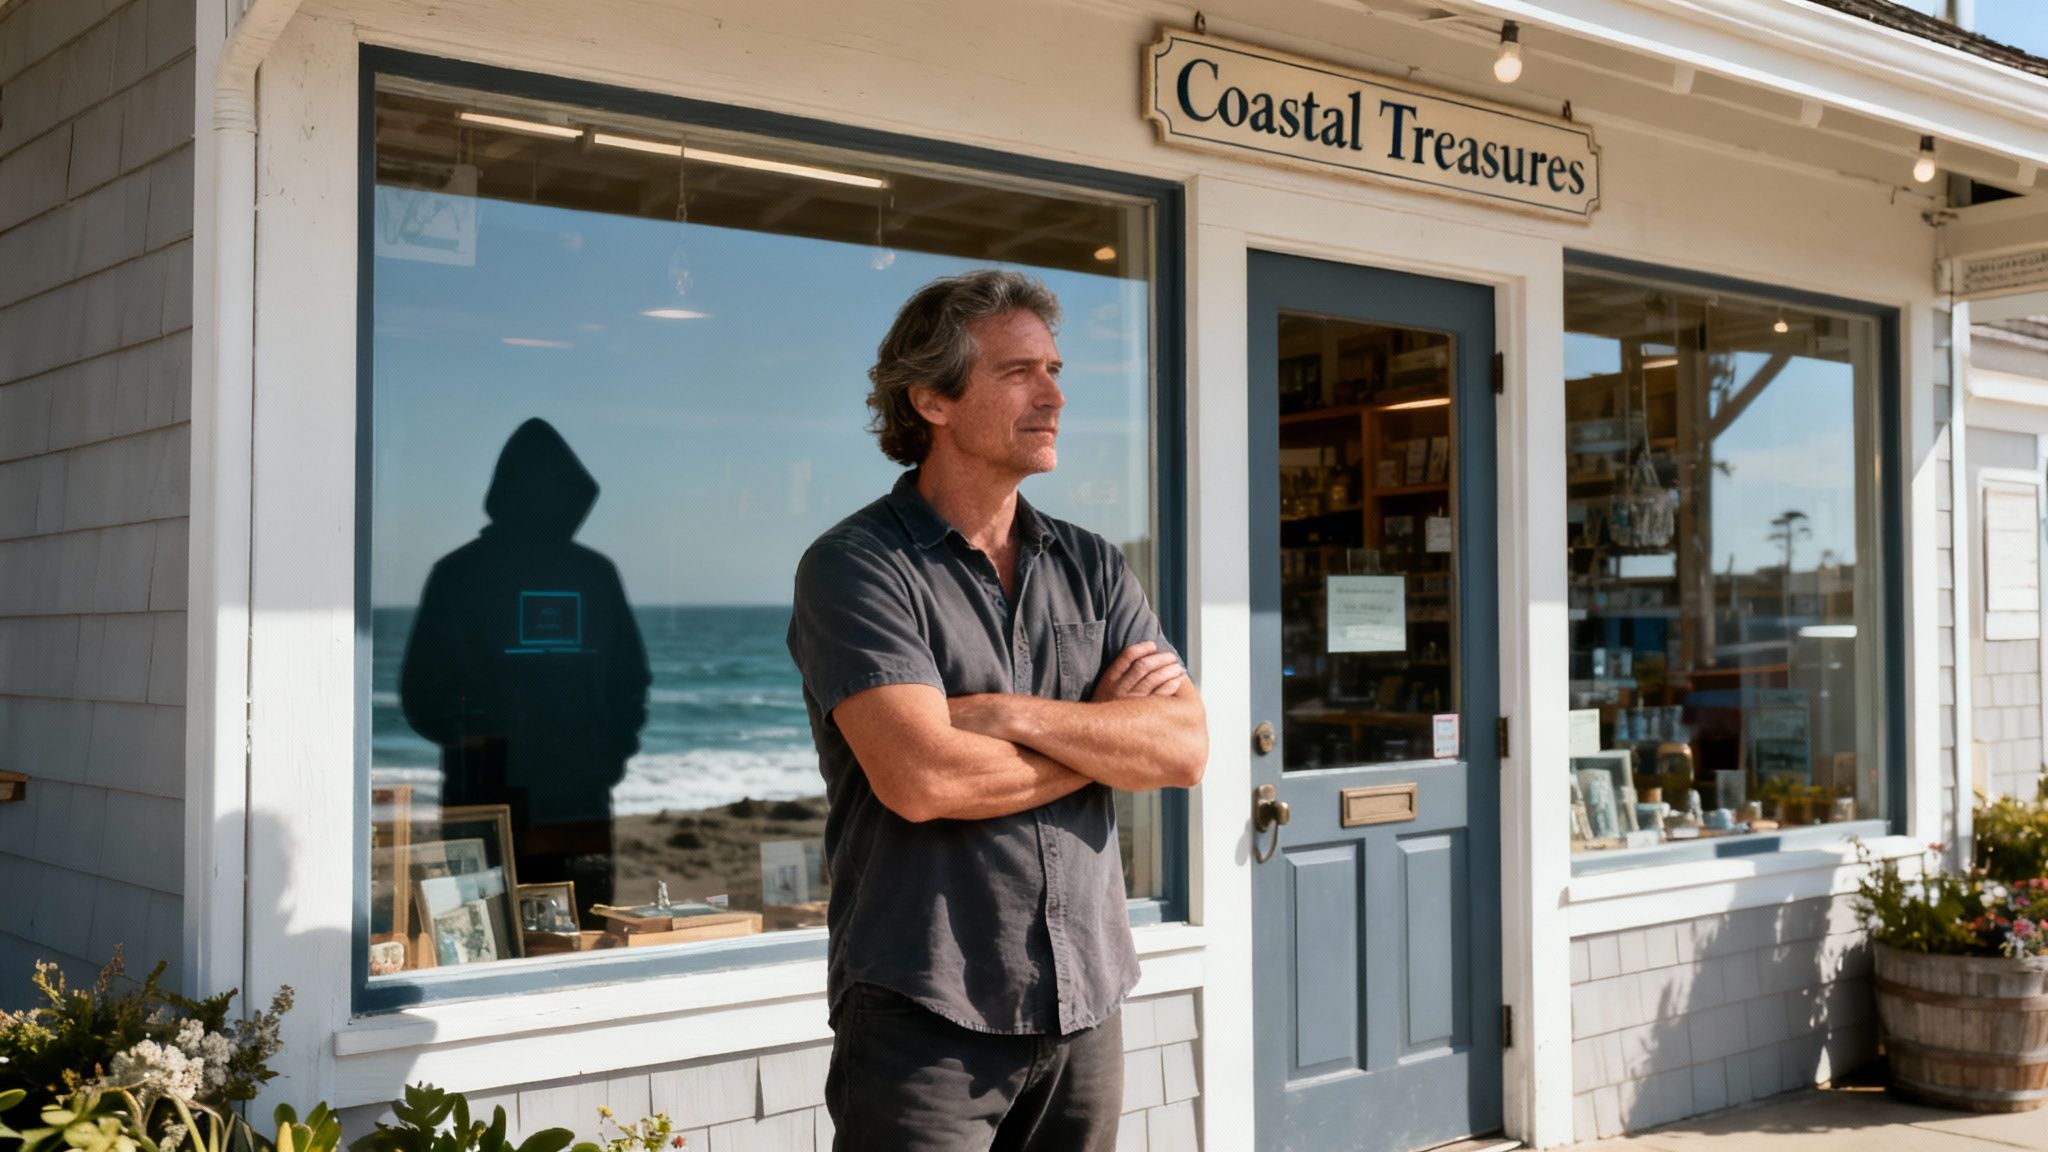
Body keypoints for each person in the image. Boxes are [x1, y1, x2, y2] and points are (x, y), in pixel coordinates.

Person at [786, 270, 1208, 1150]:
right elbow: (923, 777)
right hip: (926, 1009)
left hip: (1084, 1000)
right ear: (933, 399)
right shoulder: (857, 568)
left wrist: (1007, 715)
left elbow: (1182, 748)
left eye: (1055, 369)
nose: (1054, 395)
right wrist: (1099, 739)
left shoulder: (1092, 565)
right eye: (1020, 372)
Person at [401, 417, 651, 926]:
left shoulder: (592, 575)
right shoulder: (461, 574)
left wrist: (608, 757)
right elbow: (422, 691)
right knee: (482, 933)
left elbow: (630, 680)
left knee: (579, 928)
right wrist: (478, 745)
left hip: (575, 801)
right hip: (486, 798)